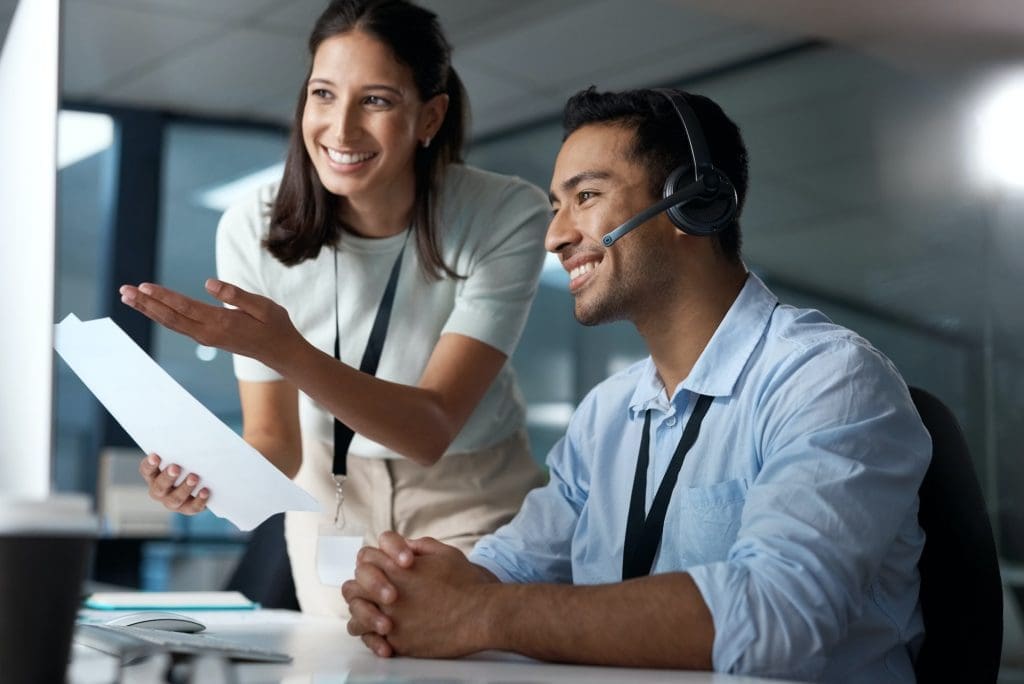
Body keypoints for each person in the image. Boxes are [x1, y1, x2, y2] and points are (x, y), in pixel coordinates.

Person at [342, 86, 932, 682]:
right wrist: (405, 591)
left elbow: (778, 616)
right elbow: (508, 569)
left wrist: (481, 613)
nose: (555, 237)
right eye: (556, 206)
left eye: (587, 197)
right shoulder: (608, 413)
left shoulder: (828, 381)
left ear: (692, 204)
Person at [119, 0, 549, 617]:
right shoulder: (254, 226)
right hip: (329, 495)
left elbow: (431, 430)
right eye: (324, 94)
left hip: (468, 490)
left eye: (376, 100)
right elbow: (277, 442)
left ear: (430, 116)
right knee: (334, 666)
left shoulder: (505, 215)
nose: (340, 130)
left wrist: (283, 349)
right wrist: (206, 475)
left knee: (468, 662)